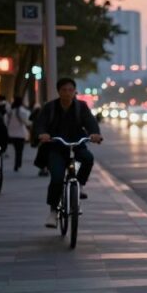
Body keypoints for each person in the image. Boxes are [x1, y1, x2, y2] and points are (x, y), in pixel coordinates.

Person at [33, 78, 102, 228]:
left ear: (74, 91)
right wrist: (42, 134)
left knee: (88, 158)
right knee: (57, 178)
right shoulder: (50, 107)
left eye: (70, 90)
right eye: (64, 90)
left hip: (76, 145)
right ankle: (52, 212)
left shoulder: (81, 107)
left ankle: (80, 185)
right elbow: (40, 124)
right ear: (59, 92)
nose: (67, 93)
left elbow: (90, 122)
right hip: (56, 147)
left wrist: (95, 134)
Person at [6, 96, 31, 172]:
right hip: (20, 133)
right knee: (19, 150)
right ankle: (18, 164)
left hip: (12, 133)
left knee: (17, 150)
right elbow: (27, 120)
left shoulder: (10, 111)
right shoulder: (21, 111)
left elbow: (6, 121)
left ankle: (17, 164)